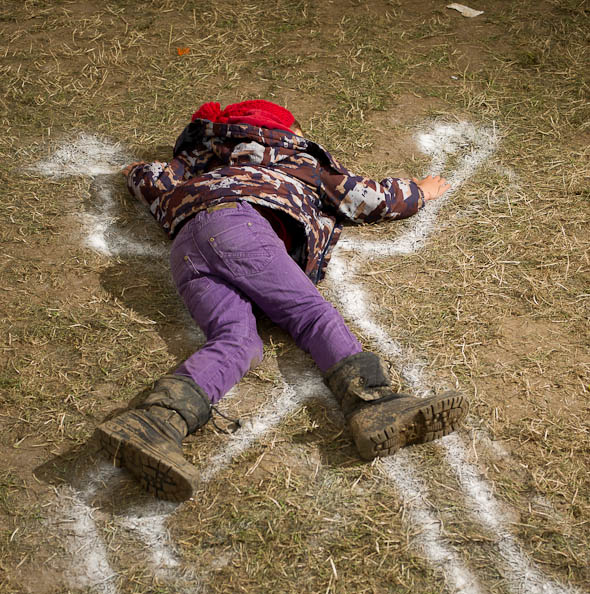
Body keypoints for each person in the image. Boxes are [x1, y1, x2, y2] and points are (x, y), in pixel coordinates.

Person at [95, 99, 467, 500]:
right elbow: (364, 197)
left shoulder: (202, 160)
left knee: (237, 339)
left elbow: (151, 179)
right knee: (309, 314)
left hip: (187, 249)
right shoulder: (295, 157)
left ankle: (157, 422)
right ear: (286, 131)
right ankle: (372, 403)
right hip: (240, 228)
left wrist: (134, 171)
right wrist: (419, 192)